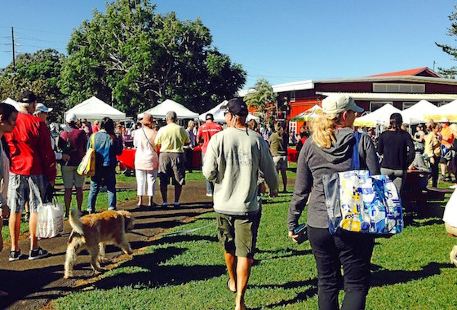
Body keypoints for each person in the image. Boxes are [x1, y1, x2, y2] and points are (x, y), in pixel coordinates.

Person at [288, 94, 380, 310]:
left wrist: (293, 222)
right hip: (353, 222)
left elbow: (301, 190)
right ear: (344, 115)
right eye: (354, 112)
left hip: (319, 223)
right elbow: (376, 181)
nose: (356, 115)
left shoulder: (311, 144)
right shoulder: (361, 140)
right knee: (355, 284)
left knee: (326, 283)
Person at [203, 98, 278, 310]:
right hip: (247, 205)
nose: (224, 118)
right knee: (245, 252)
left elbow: (208, 172)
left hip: (223, 203)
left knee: (228, 245)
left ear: (232, 117)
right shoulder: (256, 140)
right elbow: (270, 170)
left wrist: (220, 180)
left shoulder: (218, 139)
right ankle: (240, 302)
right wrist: (273, 188)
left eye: (226, 114)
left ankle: (232, 280)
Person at [5, 91, 56, 261]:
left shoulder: (9, 122)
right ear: (34, 105)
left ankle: (14, 248)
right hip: (35, 168)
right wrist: (51, 175)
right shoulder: (37, 123)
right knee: (35, 208)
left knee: (15, 209)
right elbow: (47, 152)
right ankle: (34, 247)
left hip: (15, 168)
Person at [87, 117, 123, 213]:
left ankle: (90, 209)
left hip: (96, 166)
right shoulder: (112, 137)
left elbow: (88, 150)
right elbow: (119, 152)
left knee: (94, 188)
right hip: (109, 165)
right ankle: (111, 208)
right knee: (111, 188)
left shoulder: (93, 136)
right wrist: (120, 139)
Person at [154, 111, 190, 208]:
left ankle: (165, 202)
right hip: (178, 154)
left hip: (164, 154)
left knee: (163, 178)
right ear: (176, 118)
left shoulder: (162, 130)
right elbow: (187, 142)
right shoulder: (181, 129)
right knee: (178, 178)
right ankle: (176, 201)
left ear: (167, 119)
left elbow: (157, 143)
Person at [377, 113, 415, 198]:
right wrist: (406, 163)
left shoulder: (384, 135)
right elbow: (412, 152)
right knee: (397, 195)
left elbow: (379, 151)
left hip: (386, 167)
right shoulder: (405, 135)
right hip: (400, 168)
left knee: (384, 194)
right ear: (401, 122)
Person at [58, 112, 88, 217]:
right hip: (79, 163)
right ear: (76, 121)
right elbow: (85, 147)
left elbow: (59, 147)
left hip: (66, 163)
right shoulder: (81, 133)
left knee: (67, 189)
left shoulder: (62, 133)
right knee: (79, 188)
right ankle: (79, 210)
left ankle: (67, 211)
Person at [134, 113, 159, 208]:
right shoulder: (155, 133)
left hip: (140, 158)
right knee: (151, 180)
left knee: (140, 180)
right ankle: (150, 201)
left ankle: (140, 201)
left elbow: (135, 144)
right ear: (151, 123)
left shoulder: (137, 133)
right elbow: (157, 146)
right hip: (151, 158)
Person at [197, 113, 223, 196]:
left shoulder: (202, 127)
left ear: (206, 119)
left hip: (206, 150)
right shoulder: (218, 127)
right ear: (213, 119)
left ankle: (209, 190)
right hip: (217, 150)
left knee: (207, 169)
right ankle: (218, 188)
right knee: (219, 168)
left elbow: (198, 139)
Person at [269, 123, 288, 193]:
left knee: (276, 174)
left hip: (276, 155)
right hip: (284, 156)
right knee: (284, 174)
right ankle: (285, 188)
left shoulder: (273, 135)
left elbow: (269, 142)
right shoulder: (285, 135)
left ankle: (276, 189)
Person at [424, 122, 441, 187]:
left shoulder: (437, 135)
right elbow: (428, 146)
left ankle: (434, 185)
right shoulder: (431, 136)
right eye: (437, 128)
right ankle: (424, 182)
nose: (439, 130)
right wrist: (431, 157)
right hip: (432, 156)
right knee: (432, 172)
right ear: (433, 128)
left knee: (435, 172)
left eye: (440, 128)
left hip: (437, 155)